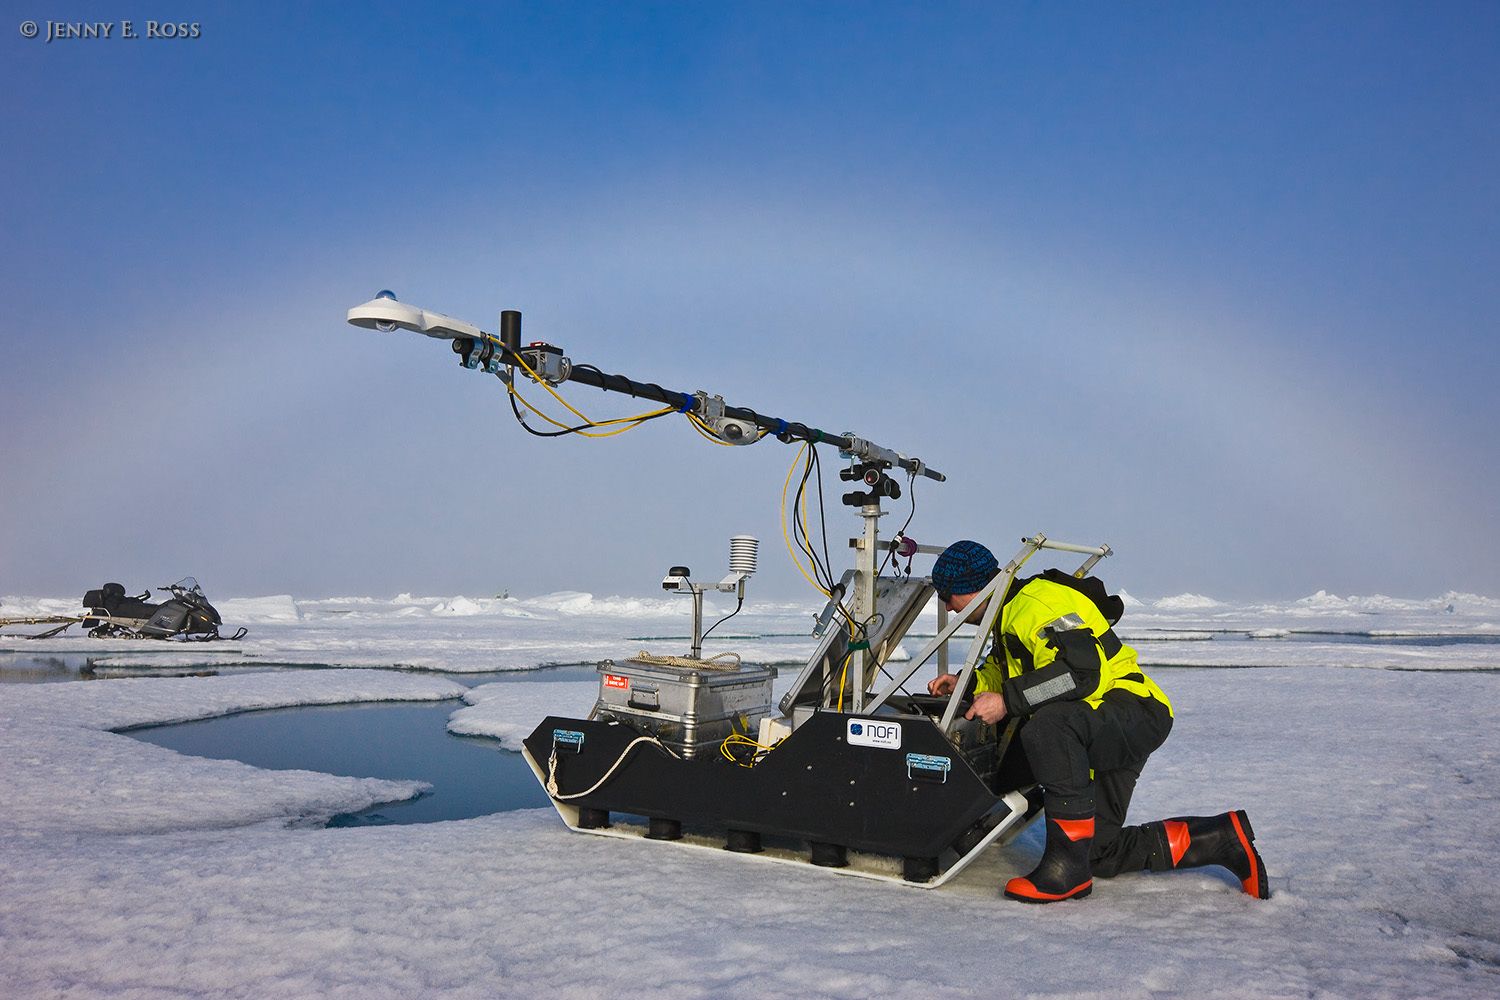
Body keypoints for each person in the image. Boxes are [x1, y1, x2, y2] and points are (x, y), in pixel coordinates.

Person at [926, 540, 1269, 903]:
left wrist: (1008, 701)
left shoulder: (1039, 604)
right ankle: (1220, 838)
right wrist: (969, 684)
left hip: (1132, 709)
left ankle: (1065, 869)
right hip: (1101, 721)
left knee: (1046, 726)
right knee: (1097, 854)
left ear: (972, 588)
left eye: (949, 596)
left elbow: (1080, 673)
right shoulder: (1010, 611)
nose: (948, 607)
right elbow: (1012, 668)